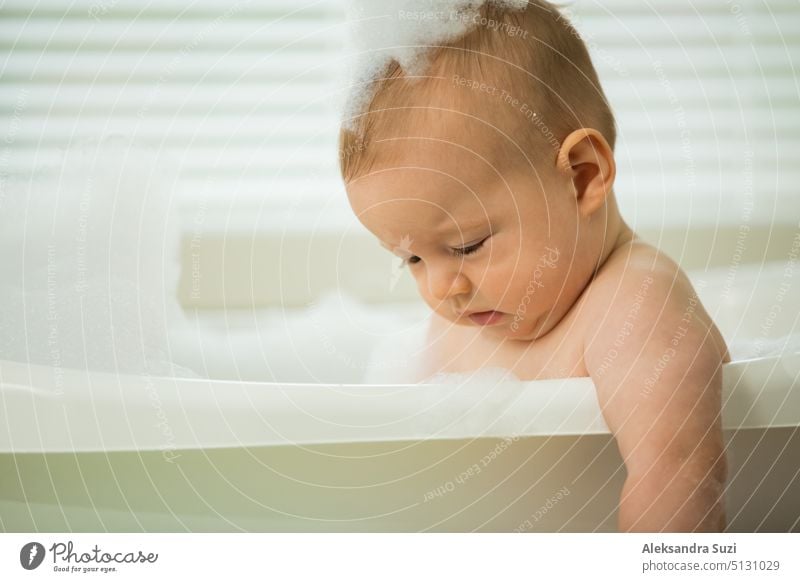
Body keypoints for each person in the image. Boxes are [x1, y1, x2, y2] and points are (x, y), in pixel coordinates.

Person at [339, 0, 729, 532]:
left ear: (582, 177)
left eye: (467, 244)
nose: (440, 286)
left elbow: (677, 471)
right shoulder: (470, 314)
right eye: (410, 257)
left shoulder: (633, 306)